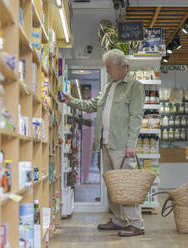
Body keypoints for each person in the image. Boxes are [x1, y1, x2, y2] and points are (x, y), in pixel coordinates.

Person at [59, 49, 145, 237]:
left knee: (126, 184)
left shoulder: (134, 87)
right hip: (105, 143)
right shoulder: (108, 87)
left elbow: (136, 117)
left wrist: (131, 144)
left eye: (109, 67)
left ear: (122, 67)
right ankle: (119, 220)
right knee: (112, 184)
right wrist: (70, 100)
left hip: (122, 145)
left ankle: (137, 223)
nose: (107, 71)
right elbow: (91, 105)